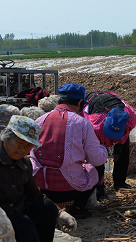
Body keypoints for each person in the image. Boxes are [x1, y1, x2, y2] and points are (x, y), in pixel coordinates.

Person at [30, 84, 108, 219]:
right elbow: (96, 159)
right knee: (99, 166)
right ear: (80, 102)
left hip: (40, 188)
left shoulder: (40, 120)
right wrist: (103, 150)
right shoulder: (82, 123)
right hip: (68, 190)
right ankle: (77, 208)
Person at [83, 91, 136, 199]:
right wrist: (100, 183)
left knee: (124, 149)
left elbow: (126, 133)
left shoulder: (130, 118)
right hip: (94, 101)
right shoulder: (94, 124)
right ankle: (98, 186)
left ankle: (120, 182)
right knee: (98, 157)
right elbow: (94, 156)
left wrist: (119, 144)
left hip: (113, 102)